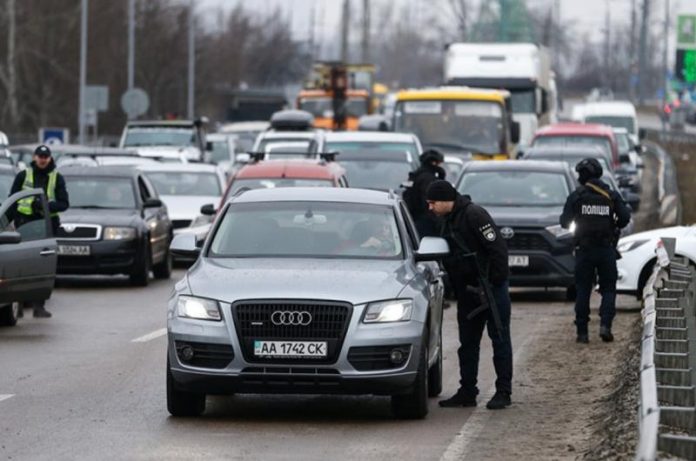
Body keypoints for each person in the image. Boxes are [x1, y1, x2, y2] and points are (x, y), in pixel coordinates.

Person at [426, 180, 513, 410]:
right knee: (468, 344)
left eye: (433, 203)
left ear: (446, 200)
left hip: (490, 289)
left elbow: (498, 250)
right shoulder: (447, 220)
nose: (430, 208)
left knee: (500, 340)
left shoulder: (475, 215)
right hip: (468, 291)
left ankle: (503, 391)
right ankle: (467, 391)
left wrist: (493, 284)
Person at [560, 158, 630, 343]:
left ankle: (582, 333)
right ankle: (605, 326)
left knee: (583, 289)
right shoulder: (611, 195)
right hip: (606, 249)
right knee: (608, 289)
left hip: (584, 250)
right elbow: (624, 218)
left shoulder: (577, 196)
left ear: (583, 176)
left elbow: (564, 222)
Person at [9, 144, 69, 318]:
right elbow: (12, 200)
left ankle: (39, 305)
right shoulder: (23, 175)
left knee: (42, 265)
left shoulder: (57, 177)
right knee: (20, 264)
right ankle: (17, 305)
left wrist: (45, 206)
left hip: (45, 225)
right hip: (25, 224)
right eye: (40, 156)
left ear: (50, 158)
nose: (42, 160)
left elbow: (64, 204)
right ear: (34, 157)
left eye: (45, 157)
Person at [404, 149, 446, 237]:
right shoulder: (427, 179)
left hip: (414, 220)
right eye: (439, 163)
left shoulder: (417, 175)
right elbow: (429, 202)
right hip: (425, 222)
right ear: (434, 163)